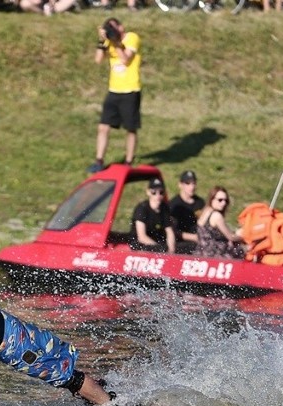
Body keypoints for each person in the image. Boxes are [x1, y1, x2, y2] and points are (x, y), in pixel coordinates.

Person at [86, 18, 141, 174]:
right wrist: (102, 40)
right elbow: (98, 60)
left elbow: (125, 59)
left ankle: (129, 161)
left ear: (121, 27)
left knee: (130, 128)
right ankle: (99, 160)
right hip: (114, 90)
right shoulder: (109, 41)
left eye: (113, 27)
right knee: (103, 127)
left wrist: (116, 42)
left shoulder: (132, 37)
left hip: (130, 90)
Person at [196, 186, 245, 260]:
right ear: (212, 199)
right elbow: (231, 237)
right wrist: (243, 236)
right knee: (242, 250)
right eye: (220, 200)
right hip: (216, 256)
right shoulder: (216, 216)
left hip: (201, 253)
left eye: (226, 200)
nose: (223, 203)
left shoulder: (205, 212)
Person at [130, 179, 176, 254]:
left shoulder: (164, 208)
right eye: (154, 192)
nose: (158, 195)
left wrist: (171, 250)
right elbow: (141, 237)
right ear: (148, 192)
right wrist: (160, 249)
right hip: (139, 244)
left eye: (161, 192)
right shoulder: (142, 208)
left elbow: (169, 231)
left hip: (155, 242)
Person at [169, 170, 205, 254]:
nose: (191, 187)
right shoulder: (174, 205)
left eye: (193, 183)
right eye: (188, 183)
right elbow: (171, 231)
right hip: (181, 242)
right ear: (180, 185)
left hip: (199, 239)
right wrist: (194, 237)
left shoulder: (200, 202)